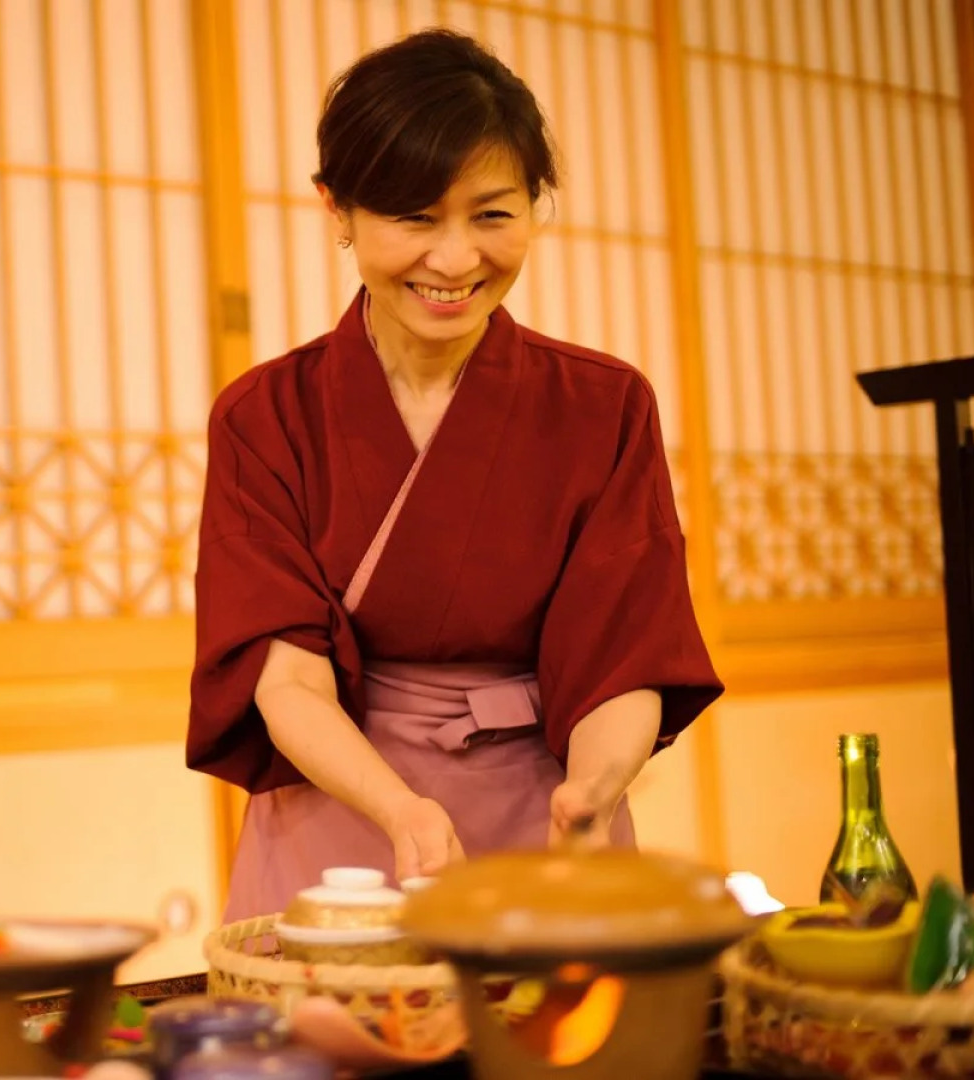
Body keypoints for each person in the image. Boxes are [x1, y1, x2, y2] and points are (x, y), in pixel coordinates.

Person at [187, 28, 723, 923]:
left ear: (534, 207)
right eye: (414, 217)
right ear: (338, 210)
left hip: (547, 811)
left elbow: (625, 653)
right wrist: (399, 809)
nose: (455, 259)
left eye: (492, 215)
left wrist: (594, 788)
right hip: (344, 809)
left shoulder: (605, 405)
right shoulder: (264, 416)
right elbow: (286, 681)